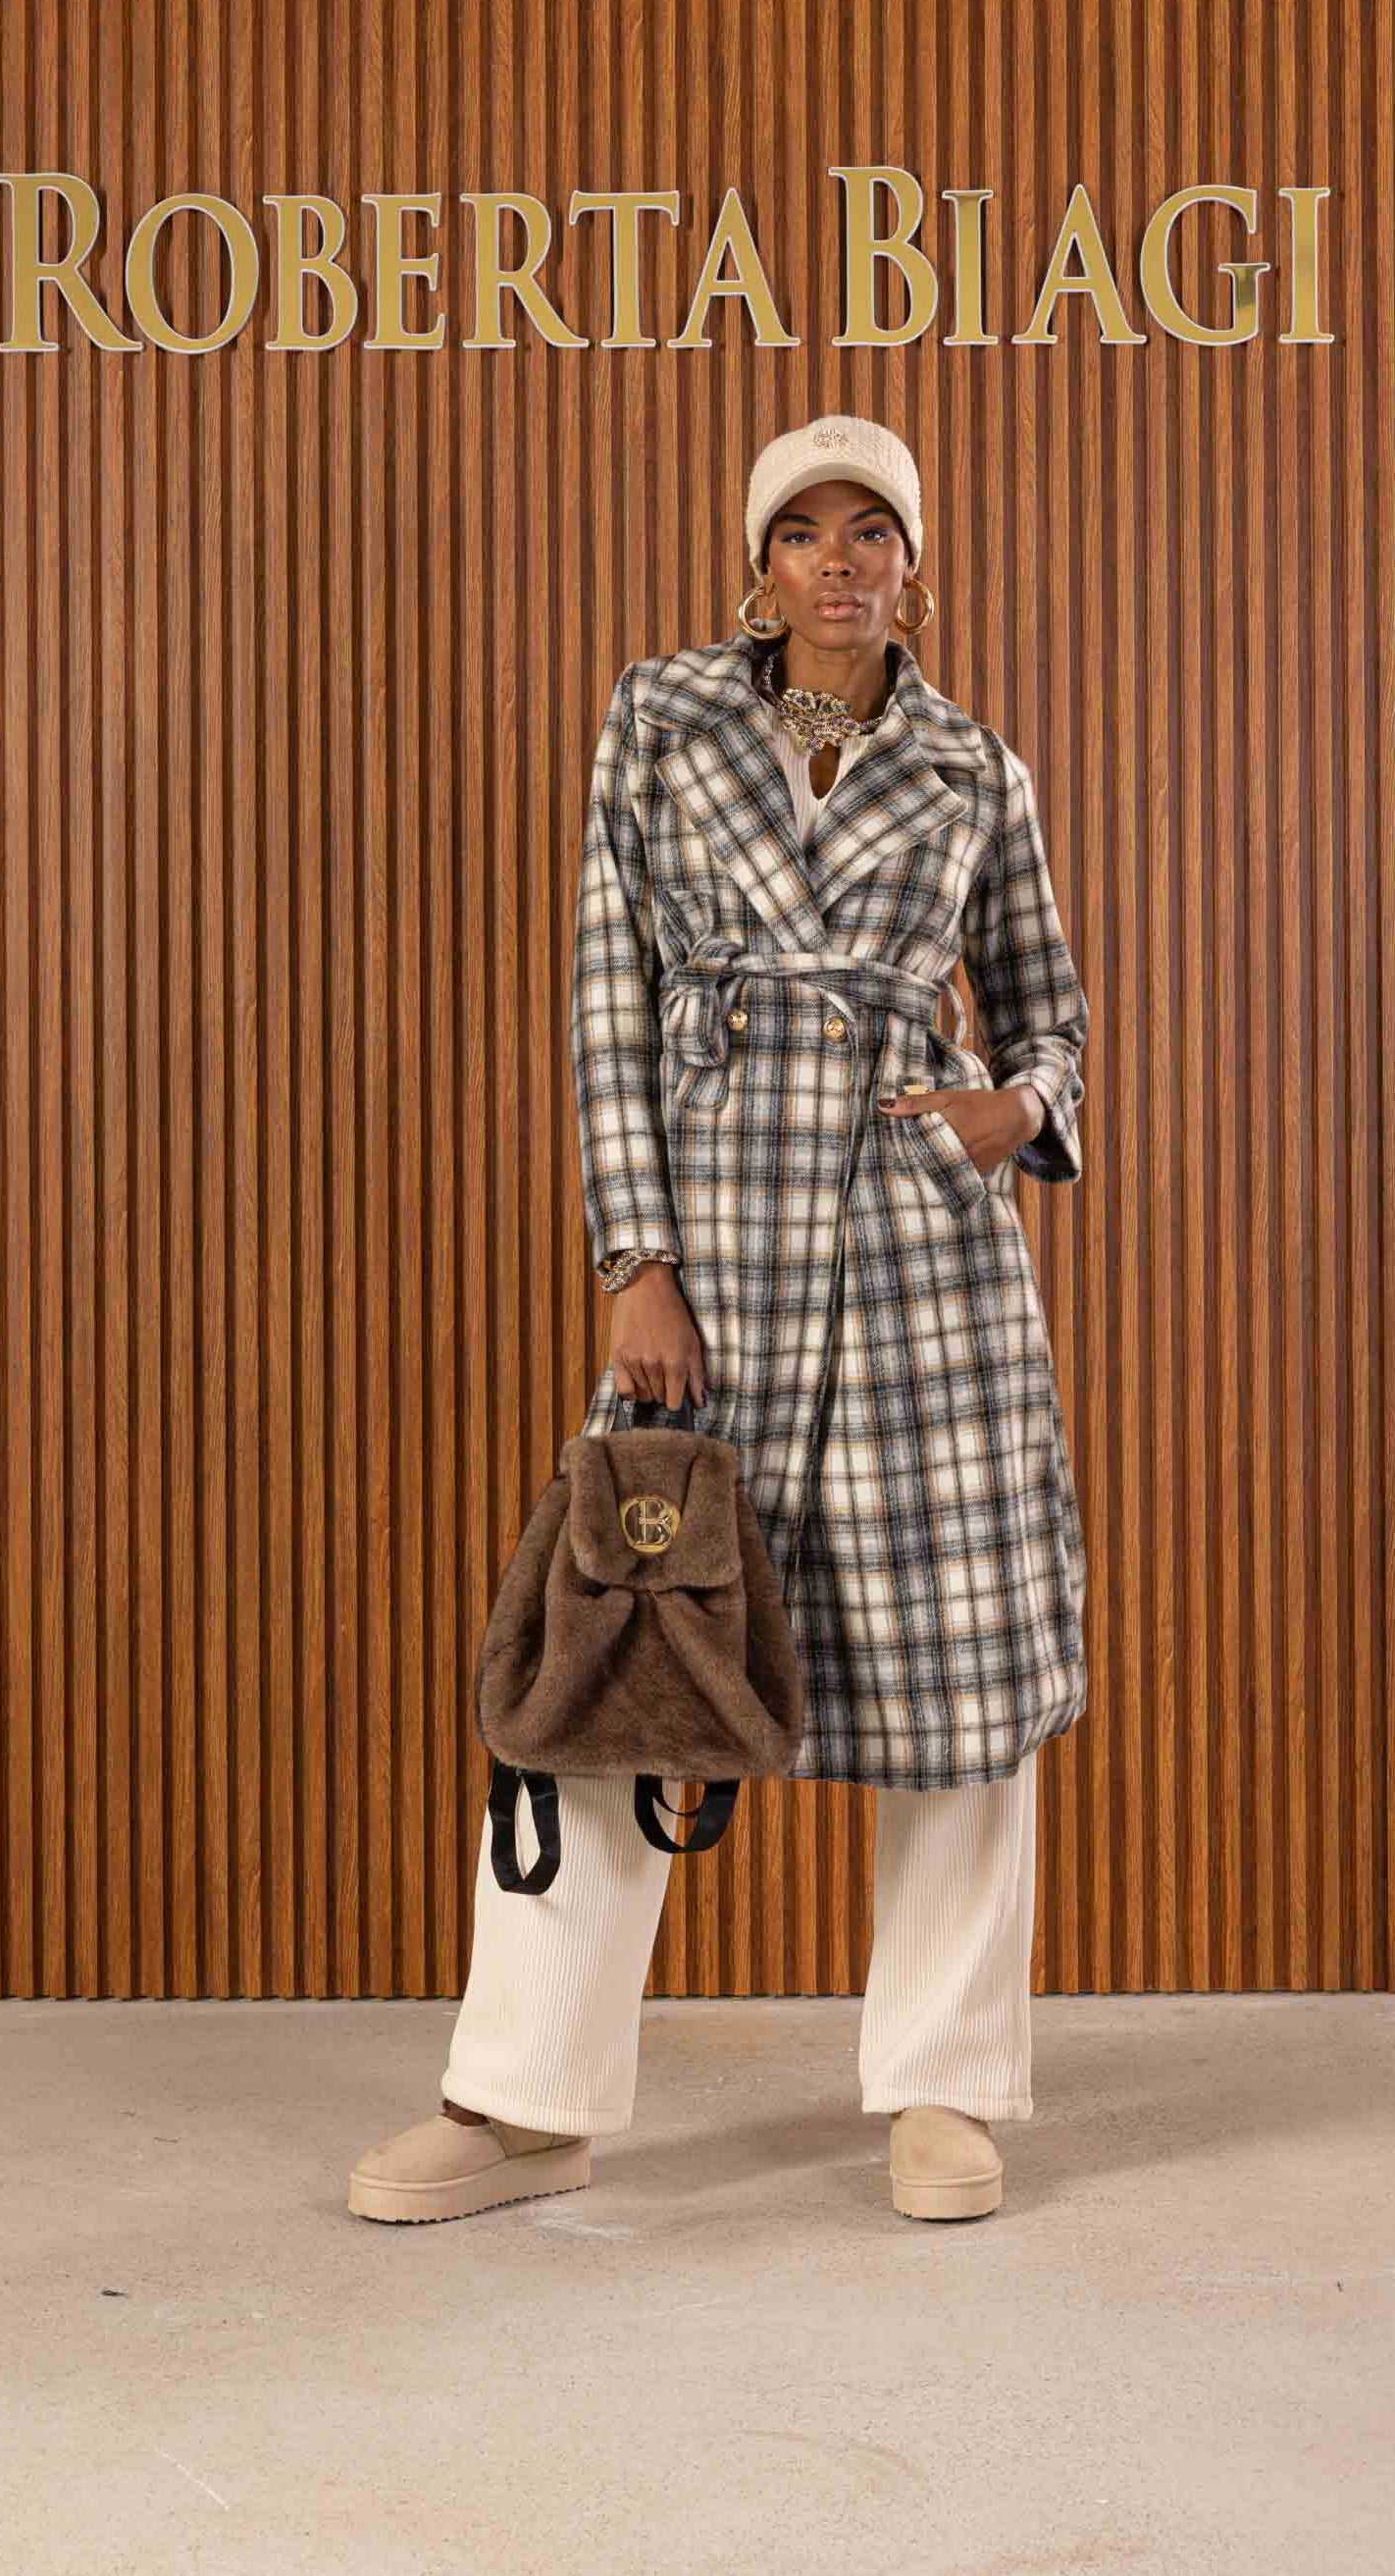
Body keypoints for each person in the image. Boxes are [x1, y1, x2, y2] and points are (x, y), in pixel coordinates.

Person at [347, 414, 1091, 2229]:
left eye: (872, 531)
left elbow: (1053, 1017)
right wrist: (636, 1259)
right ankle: (525, 2101)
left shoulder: (974, 767)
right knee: (619, 1652)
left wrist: (1015, 1110)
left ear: (915, 566)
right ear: (760, 564)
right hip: (716, 1257)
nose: (839, 560)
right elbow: (608, 993)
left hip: (923, 1263)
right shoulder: (660, 718)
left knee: (960, 1677)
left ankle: (942, 2085)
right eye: (803, 531)